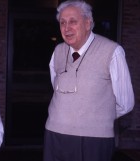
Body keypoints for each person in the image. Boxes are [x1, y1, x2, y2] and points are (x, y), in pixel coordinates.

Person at [44, 1, 135, 161]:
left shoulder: (112, 51)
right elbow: (56, 88)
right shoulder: (58, 51)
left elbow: (126, 103)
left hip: (93, 140)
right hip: (54, 135)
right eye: (62, 23)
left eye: (73, 21)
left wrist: (98, 116)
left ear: (88, 23)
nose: (66, 28)